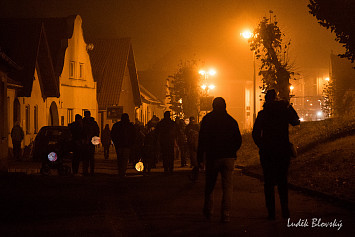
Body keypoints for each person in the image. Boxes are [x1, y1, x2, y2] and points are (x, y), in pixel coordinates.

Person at [252, 89, 300, 220]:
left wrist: (262, 145)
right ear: (277, 98)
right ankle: (285, 209)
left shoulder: (262, 114)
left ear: (266, 100)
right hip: (282, 150)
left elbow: (255, 134)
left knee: (268, 182)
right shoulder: (284, 111)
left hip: (267, 152)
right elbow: (296, 121)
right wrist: (289, 106)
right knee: (282, 180)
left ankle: (271, 212)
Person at [197, 97, 242, 223]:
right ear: (225, 106)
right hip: (228, 157)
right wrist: (232, 151)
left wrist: (200, 158)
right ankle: (226, 213)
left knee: (210, 184)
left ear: (213, 106)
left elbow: (202, 140)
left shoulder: (207, 120)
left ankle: (209, 211)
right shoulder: (231, 121)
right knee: (227, 186)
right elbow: (238, 140)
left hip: (213, 157)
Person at [111, 113, 136, 177]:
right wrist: (132, 144)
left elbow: (112, 135)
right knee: (125, 159)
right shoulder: (130, 126)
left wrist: (115, 142)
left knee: (120, 159)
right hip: (127, 145)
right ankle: (123, 171)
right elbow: (134, 136)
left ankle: (120, 171)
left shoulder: (117, 125)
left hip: (119, 145)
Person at [82, 110, 100, 176]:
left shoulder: (92, 123)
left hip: (91, 143)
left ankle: (91, 171)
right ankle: (86, 171)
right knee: (86, 158)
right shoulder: (84, 123)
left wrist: (95, 141)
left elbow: (97, 132)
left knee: (91, 158)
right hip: (85, 143)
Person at [185, 116, 200, 180]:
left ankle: (194, 164)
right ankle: (195, 164)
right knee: (194, 154)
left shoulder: (189, 127)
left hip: (192, 142)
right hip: (193, 142)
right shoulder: (194, 126)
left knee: (193, 154)